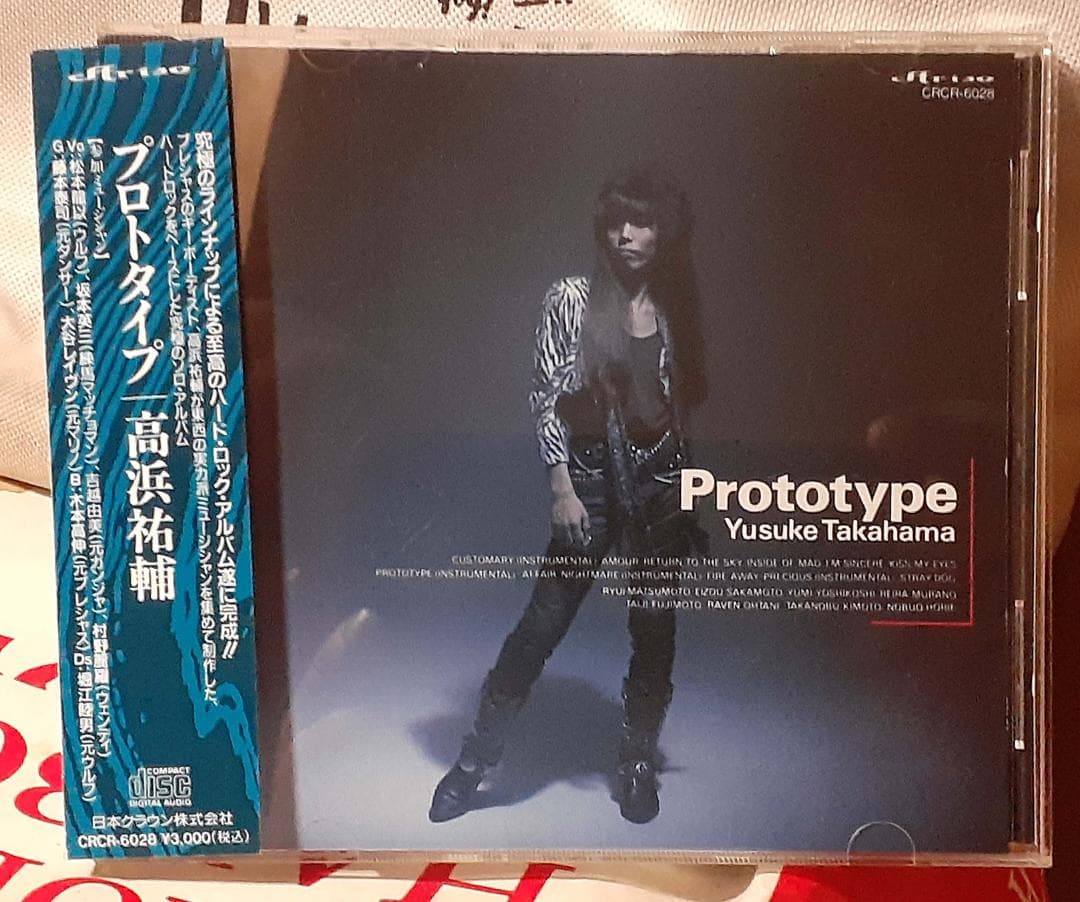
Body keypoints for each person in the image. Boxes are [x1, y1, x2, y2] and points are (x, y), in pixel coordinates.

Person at [429, 170, 705, 826]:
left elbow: (677, 407)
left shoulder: (673, 309)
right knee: (541, 627)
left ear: (665, 234)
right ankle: (476, 759)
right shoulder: (572, 298)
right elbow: (547, 394)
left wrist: (685, 492)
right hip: (590, 482)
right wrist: (562, 486)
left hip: (659, 488)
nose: (625, 234)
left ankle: (636, 762)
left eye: (641, 223)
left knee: (655, 631)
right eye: (615, 221)